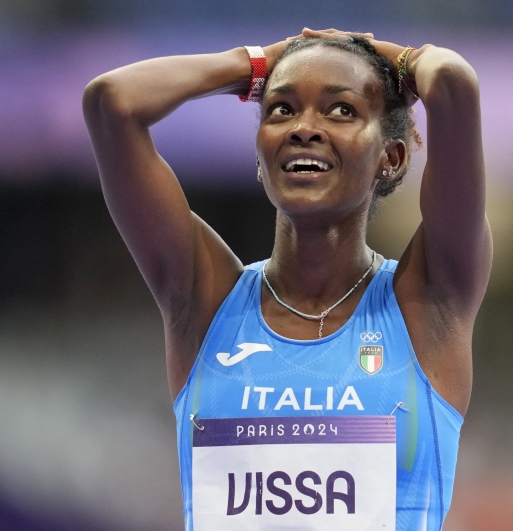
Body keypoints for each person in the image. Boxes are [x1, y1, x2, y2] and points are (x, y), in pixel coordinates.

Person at [83, 27, 491, 531]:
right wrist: (257, 65)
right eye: (282, 109)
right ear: (259, 157)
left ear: (392, 157)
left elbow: (451, 82)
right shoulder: (205, 301)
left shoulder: (428, 302)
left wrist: (387, 58)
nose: (304, 127)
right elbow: (113, 102)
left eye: (341, 110)